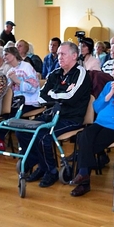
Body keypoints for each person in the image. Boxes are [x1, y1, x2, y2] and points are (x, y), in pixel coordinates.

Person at [20, 42, 92, 187]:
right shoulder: (55, 73)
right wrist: (58, 94)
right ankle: (40, 163)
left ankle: (51, 171)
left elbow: (71, 97)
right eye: (58, 54)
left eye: (63, 54)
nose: (59, 57)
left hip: (71, 118)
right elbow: (41, 97)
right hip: (52, 114)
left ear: (74, 56)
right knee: (23, 131)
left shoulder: (81, 73)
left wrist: (53, 93)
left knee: (43, 135)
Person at [69, 58, 114, 196]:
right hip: (100, 122)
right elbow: (96, 107)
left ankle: (83, 178)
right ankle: (84, 173)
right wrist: (108, 94)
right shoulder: (109, 85)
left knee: (88, 145)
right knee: (84, 135)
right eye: (113, 70)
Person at [3, 45, 40, 115]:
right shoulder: (10, 71)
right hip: (16, 102)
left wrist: (16, 80)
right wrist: (10, 83)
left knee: (10, 117)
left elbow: (33, 88)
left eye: (6, 54)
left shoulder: (26, 67)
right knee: (3, 114)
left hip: (30, 102)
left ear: (14, 54)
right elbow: (7, 91)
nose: (3, 57)